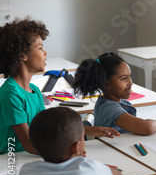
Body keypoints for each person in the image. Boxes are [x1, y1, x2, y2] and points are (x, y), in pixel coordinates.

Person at [0, 18, 119, 155]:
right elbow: (29, 144)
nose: (45, 53)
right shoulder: (10, 95)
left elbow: (44, 129)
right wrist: (68, 151)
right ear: (23, 56)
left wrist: (86, 130)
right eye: (40, 48)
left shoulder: (34, 90)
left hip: (34, 154)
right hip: (12, 160)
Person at [73, 52, 156, 135]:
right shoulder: (110, 109)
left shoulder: (113, 102)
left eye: (130, 77)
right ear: (106, 84)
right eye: (124, 79)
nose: (130, 83)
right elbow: (148, 128)